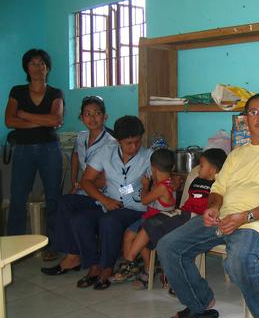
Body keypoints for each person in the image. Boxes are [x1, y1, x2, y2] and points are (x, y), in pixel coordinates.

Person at [158, 93, 259, 318]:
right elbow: (218, 189)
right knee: (168, 246)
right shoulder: (237, 155)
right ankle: (200, 303)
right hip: (222, 218)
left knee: (238, 260)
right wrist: (213, 207)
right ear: (246, 119)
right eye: (253, 112)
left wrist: (244, 217)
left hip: (256, 223)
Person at [111, 148, 227, 289]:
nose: (198, 169)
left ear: (213, 170)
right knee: (148, 226)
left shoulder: (217, 186)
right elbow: (185, 191)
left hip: (194, 217)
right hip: (182, 213)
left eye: (202, 166)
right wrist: (178, 182)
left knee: (149, 226)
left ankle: (129, 260)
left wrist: (147, 186)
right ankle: (142, 267)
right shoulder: (196, 180)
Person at [40, 95, 116, 275]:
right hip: (85, 192)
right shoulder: (81, 137)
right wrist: (75, 181)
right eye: (87, 114)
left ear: (105, 117)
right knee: (64, 204)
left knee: (68, 206)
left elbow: (107, 179)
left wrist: (83, 185)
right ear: (81, 117)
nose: (92, 118)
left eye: (97, 114)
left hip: (103, 196)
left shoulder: (111, 143)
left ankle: (73, 257)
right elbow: (75, 157)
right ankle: (74, 255)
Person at [4, 49, 64, 261]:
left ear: (47, 68)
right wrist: (42, 119)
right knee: (18, 197)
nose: (38, 68)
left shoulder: (55, 93)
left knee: (53, 197)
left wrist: (24, 115)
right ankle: (14, 249)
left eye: (42, 64)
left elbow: (56, 120)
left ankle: (54, 245)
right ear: (26, 68)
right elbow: (10, 121)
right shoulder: (17, 91)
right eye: (33, 63)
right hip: (23, 150)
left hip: (50, 149)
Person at [111, 147, 176, 286]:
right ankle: (135, 266)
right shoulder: (166, 182)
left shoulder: (162, 187)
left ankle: (133, 263)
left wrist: (145, 186)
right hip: (149, 219)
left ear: (153, 168)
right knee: (129, 233)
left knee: (143, 239)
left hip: (159, 223)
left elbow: (144, 200)